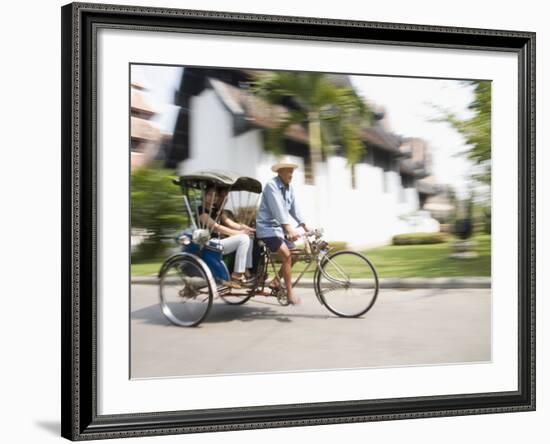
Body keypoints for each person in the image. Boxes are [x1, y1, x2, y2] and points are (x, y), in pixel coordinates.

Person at [256, 157, 309, 305]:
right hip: (267, 229)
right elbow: (278, 209)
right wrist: (288, 228)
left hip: (278, 230)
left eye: (292, 170)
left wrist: (303, 224)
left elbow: (293, 207)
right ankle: (290, 293)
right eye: (288, 170)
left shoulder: (289, 187)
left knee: (296, 254)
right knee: (286, 254)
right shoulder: (271, 186)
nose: (291, 173)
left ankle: (276, 281)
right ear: (280, 171)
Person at [198, 186, 255, 288]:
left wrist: (248, 229)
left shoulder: (217, 210)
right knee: (243, 238)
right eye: (210, 195)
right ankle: (236, 275)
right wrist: (238, 234)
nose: (213, 198)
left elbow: (231, 223)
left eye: (215, 196)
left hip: (219, 243)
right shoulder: (201, 211)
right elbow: (216, 227)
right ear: (204, 196)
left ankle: (246, 271)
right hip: (209, 244)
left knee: (249, 236)